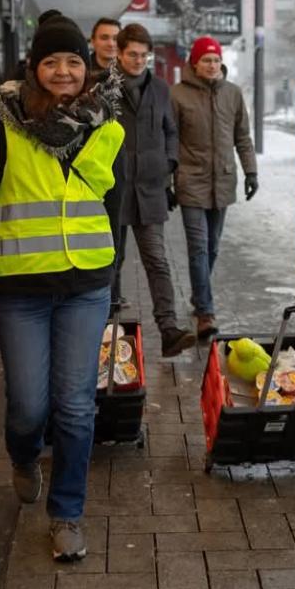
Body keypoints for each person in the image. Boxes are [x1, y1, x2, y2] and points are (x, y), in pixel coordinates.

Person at [0, 18, 124, 561]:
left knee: (74, 407)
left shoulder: (107, 123)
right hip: (20, 289)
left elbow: (112, 202)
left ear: (86, 66)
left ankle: (67, 514)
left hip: (85, 286)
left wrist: (113, 271)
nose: (64, 72)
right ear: (34, 68)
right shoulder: (3, 124)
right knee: (29, 406)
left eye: (73, 61)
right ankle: (23, 454)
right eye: (52, 62)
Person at [113, 23, 197, 357]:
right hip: (114, 189)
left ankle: (169, 330)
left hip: (150, 189)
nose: (137, 61)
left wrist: (170, 163)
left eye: (143, 55)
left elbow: (171, 131)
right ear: (119, 54)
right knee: (111, 262)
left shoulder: (161, 89)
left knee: (158, 262)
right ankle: (107, 330)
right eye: (132, 54)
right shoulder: (102, 88)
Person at [170, 36, 258, 338]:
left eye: (216, 60)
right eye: (206, 60)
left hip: (222, 180)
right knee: (198, 247)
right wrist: (169, 179)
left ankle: (199, 295)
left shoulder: (232, 94)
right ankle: (205, 313)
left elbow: (242, 137)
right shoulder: (178, 95)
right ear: (194, 63)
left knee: (213, 247)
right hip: (190, 181)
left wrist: (251, 172)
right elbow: (170, 142)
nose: (212, 65)